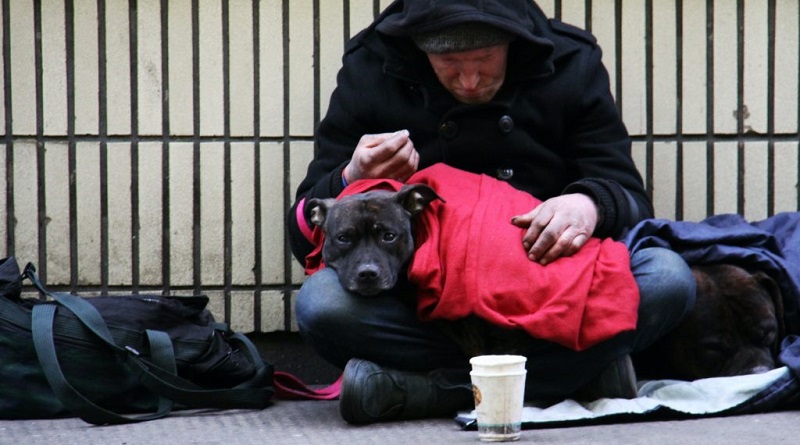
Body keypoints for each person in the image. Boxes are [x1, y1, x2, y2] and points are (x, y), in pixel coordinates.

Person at [287, 0, 696, 424]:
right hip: (423, 303)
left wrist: (587, 203)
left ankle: (424, 391)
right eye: (448, 62)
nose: (468, 80)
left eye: (484, 59)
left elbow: (629, 197)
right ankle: (571, 376)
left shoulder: (571, 60)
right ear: (419, 49)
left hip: (546, 284)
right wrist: (350, 174)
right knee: (323, 305)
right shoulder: (374, 65)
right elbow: (306, 232)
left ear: (512, 43)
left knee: (668, 277)